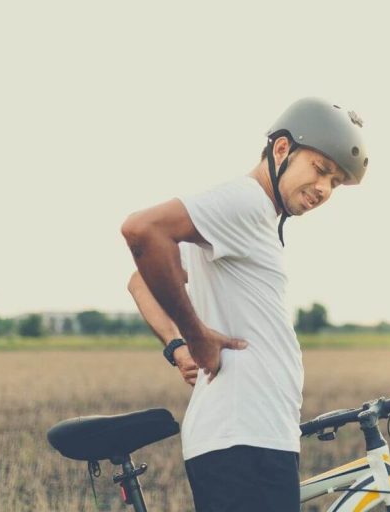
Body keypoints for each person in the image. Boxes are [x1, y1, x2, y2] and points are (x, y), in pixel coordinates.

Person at [121, 97, 369, 511]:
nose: (325, 189)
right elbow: (141, 230)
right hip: (243, 441)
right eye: (321, 170)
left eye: (337, 182)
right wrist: (196, 337)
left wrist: (176, 346)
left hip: (254, 437)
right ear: (281, 149)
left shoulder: (253, 219)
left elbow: (137, 282)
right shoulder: (246, 202)